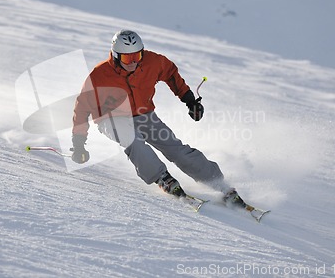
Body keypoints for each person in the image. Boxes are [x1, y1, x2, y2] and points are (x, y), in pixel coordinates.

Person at [71, 29, 242, 205]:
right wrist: (78, 143)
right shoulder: (99, 75)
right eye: (127, 58)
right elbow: (82, 108)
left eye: (137, 56)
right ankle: (162, 178)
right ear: (115, 56)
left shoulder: (152, 62)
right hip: (110, 119)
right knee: (134, 142)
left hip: (144, 114)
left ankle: (217, 182)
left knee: (175, 149)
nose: (133, 63)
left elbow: (171, 74)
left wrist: (190, 101)